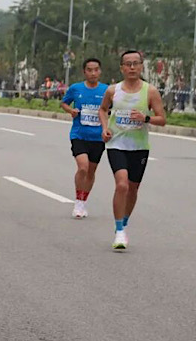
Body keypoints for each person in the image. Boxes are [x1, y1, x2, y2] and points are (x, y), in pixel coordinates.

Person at [98, 50, 166, 250]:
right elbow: (103, 109)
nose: (132, 67)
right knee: (122, 185)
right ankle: (119, 231)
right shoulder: (113, 90)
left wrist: (145, 118)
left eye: (136, 63)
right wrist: (104, 128)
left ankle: (124, 222)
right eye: (128, 64)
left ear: (142, 66)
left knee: (133, 188)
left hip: (139, 147)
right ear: (122, 68)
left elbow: (162, 119)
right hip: (116, 144)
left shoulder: (150, 91)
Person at [60, 58, 108, 219]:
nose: (93, 73)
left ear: (100, 71)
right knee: (83, 167)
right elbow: (64, 103)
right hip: (79, 134)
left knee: (91, 171)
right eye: (89, 70)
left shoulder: (107, 90)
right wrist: (70, 111)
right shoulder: (76, 88)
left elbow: (112, 111)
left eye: (96, 70)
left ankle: (84, 200)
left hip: (97, 137)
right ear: (84, 72)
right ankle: (78, 201)